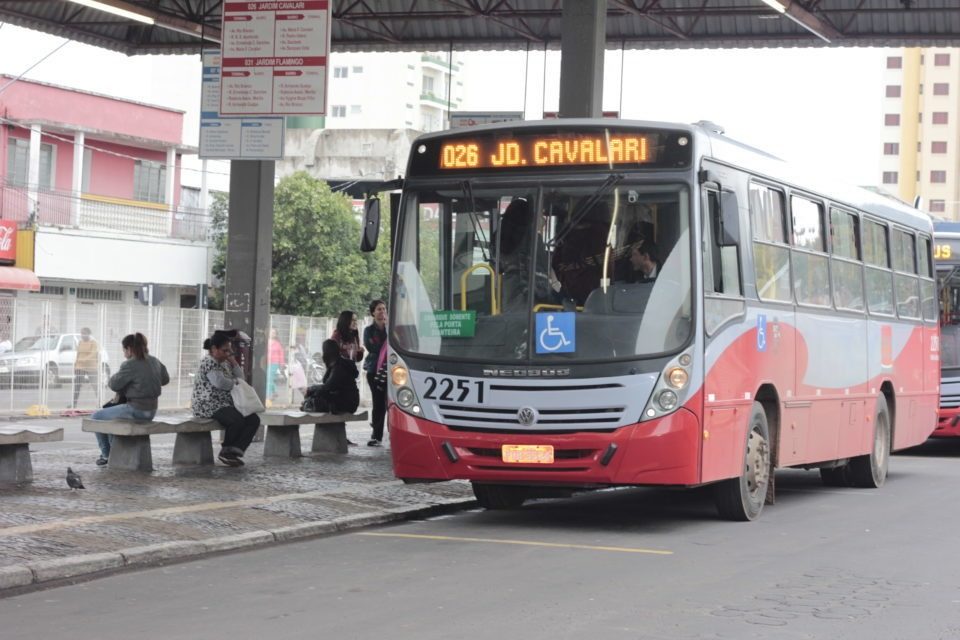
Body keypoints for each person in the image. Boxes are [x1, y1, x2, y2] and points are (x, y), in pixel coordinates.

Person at [89, 333, 170, 466]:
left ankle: (106, 455)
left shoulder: (129, 364)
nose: (124, 354)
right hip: (152, 411)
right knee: (112, 417)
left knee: (97, 416)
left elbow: (113, 384)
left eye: (124, 350)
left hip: (136, 410)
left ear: (129, 349)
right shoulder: (155, 361)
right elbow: (165, 379)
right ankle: (111, 453)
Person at [192, 331, 261, 467]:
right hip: (207, 404)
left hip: (225, 404)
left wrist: (233, 362)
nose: (228, 353)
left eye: (230, 350)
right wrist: (234, 382)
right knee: (237, 420)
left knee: (254, 419)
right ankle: (226, 451)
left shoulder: (224, 362)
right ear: (214, 349)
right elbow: (220, 383)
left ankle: (236, 450)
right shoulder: (209, 362)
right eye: (225, 350)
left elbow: (241, 378)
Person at [302, 339, 360, 414]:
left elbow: (328, 387)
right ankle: (309, 405)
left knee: (315, 397)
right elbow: (326, 384)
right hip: (345, 399)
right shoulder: (335, 364)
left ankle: (309, 405)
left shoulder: (339, 367)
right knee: (314, 395)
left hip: (347, 403)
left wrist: (310, 389)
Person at [362, 299, 388, 447]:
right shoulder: (368, 331)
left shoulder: (391, 328)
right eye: (379, 309)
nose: (382, 312)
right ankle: (376, 435)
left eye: (384, 309)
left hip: (392, 370)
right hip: (374, 371)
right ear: (373, 312)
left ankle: (394, 433)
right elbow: (373, 348)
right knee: (378, 403)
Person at [72, 327, 100, 409]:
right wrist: (75, 365)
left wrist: (84, 359)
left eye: (84, 333)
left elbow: (93, 354)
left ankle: (100, 402)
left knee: (95, 386)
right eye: (81, 333)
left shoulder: (93, 343)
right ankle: (73, 404)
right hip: (80, 367)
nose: (82, 335)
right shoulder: (80, 342)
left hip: (91, 367)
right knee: (77, 386)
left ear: (89, 334)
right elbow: (78, 354)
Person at [265, 327, 285, 401]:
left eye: (274, 333)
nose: (272, 334)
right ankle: (274, 392)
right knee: (269, 378)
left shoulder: (277, 344)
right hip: (266, 362)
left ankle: (268, 396)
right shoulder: (266, 342)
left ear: (276, 334)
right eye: (271, 332)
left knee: (269, 379)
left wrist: (282, 364)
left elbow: (281, 354)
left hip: (274, 363)